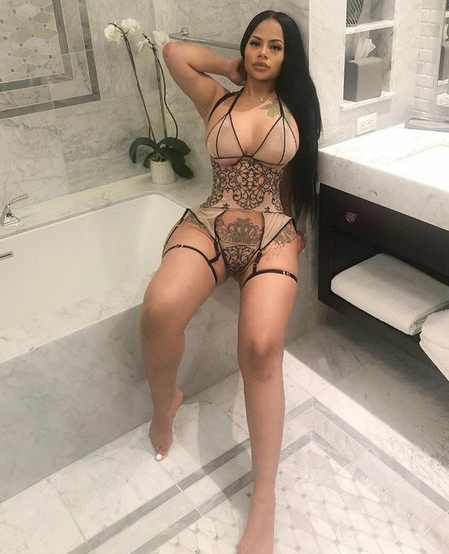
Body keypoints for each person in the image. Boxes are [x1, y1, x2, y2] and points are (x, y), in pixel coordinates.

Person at [140, 10, 322, 553]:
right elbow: (173, 52)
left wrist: (295, 230)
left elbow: (299, 178)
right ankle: (165, 400)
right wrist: (228, 66)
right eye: (255, 43)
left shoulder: (298, 110)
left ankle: (264, 499)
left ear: (290, 57)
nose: (263, 53)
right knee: (159, 307)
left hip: (272, 231)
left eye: (276, 47)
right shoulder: (215, 100)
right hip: (211, 223)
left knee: (262, 348)